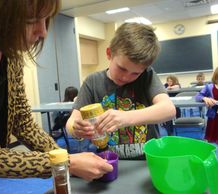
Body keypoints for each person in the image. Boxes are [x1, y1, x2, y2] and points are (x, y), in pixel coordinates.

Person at [0, 1, 113, 193]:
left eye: (46, 19)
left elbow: (22, 121)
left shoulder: (8, 50)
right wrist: (68, 162)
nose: (43, 32)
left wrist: (62, 157)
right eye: (31, 20)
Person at [66, 23, 176, 159]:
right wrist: (77, 130)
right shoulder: (93, 81)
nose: (125, 77)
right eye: (122, 68)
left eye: (135, 73)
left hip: (146, 161)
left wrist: (126, 117)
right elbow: (71, 123)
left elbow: (168, 109)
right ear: (109, 54)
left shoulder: (147, 75)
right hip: (107, 161)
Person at [195, 67, 218, 143]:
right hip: (214, 118)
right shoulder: (209, 87)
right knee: (212, 139)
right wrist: (205, 98)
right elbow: (198, 96)